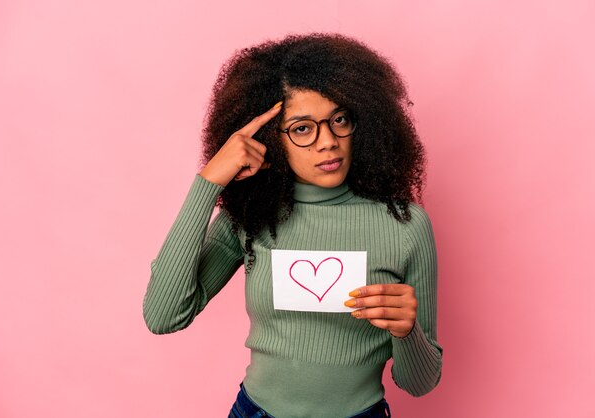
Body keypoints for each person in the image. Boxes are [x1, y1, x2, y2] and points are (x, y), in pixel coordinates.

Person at [143, 33, 442, 418]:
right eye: (302, 128)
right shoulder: (251, 214)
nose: (328, 142)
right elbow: (164, 315)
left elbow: (421, 383)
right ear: (273, 139)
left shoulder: (406, 226)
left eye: (339, 119)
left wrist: (407, 332)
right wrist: (209, 183)